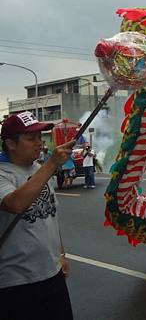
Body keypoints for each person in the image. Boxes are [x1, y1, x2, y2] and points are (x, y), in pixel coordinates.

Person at [0, 111, 75, 320]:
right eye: (31, 138)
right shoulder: (3, 173)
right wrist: (52, 165)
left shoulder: (39, 169)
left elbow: (51, 214)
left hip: (52, 274)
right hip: (15, 282)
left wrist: (61, 255)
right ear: (11, 144)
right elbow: (15, 203)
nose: (39, 143)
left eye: (40, 137)